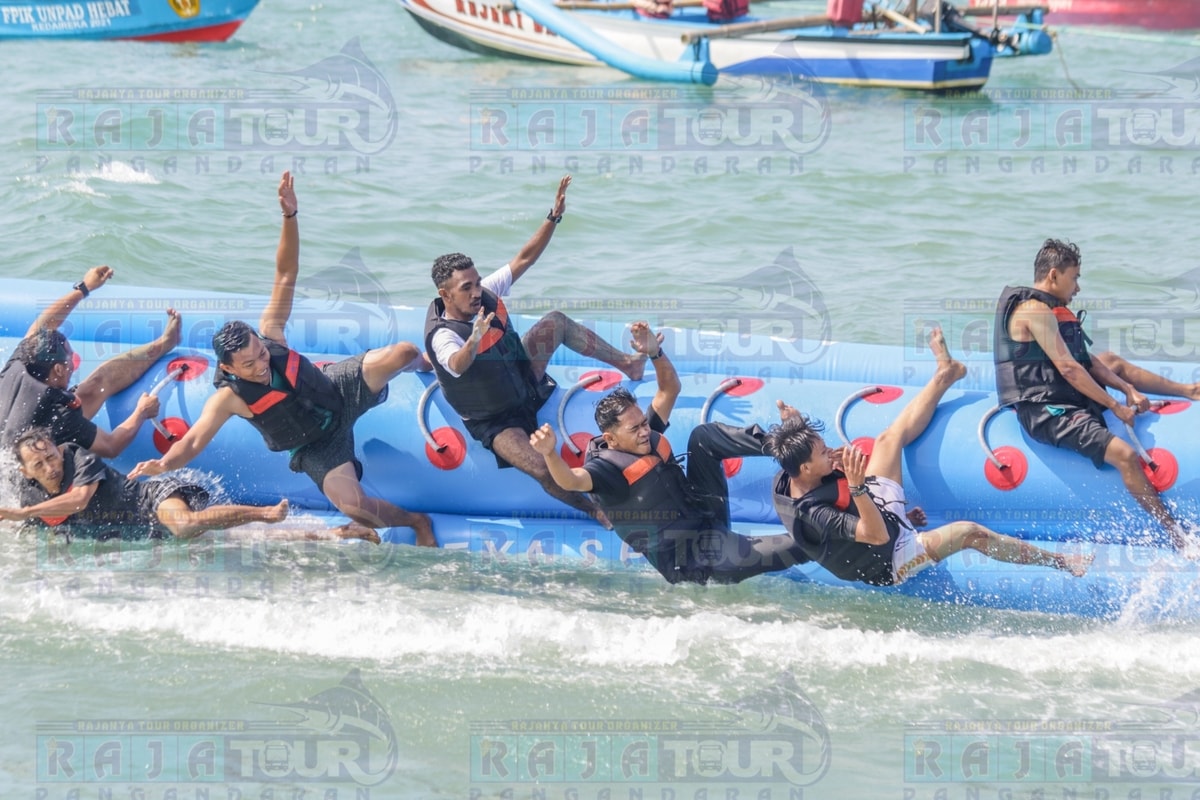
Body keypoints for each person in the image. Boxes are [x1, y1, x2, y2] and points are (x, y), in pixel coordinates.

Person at [127, 172, 435, 546]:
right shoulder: (229, 398)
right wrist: (165, 464)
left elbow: (285, 273)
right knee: (354, 506)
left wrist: (290, 216)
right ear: (227, 369)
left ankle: (430, 367)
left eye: (260, 354)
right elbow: (192, 444)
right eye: (249, 365)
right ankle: (417, 522)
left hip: (336, 391)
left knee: (403, 352)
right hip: (316, 446)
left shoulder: (270, 333)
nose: (260, 365)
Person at [765, 328, 1093, 587]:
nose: (831, 452)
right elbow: (875, 536)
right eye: (823, 453)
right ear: (806, 468)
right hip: (889, 556)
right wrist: (857, 486)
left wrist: (793, 422)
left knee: (888, 439)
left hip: (883, 514)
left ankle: (945, 374)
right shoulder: (814, 514)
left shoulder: (793, 470)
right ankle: (1064, 562)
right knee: (969, 533)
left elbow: (795, 451)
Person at [426, 175, 646, 525]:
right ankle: (598, 512)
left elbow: (524, 258)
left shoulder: (485, 294)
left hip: (522, 378)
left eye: (477, 282)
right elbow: (455, 362)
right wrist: (473, 338)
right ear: (445, 294)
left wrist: (553, 216)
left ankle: (630, 364)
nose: (476, 292)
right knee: (543, 468)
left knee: (555, 321)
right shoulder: (443, 336)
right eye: (466, 288)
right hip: (496, 419)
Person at [530, 320, 810, 584]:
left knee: (703, 437)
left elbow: (669, 389)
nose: (644, 431)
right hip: (693, 558)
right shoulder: (606, 471)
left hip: (704, 515)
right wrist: (549, 453)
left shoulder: (643, 435)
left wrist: (655, 352)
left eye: (642, 424)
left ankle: (786, 444)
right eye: (634, 429)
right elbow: (570, 480)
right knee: (802, 542)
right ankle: (844, 536)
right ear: (610, 439)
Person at [995, 238, 1200, 550]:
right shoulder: (1035, 311)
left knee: (1113, 362)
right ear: (1053, 275)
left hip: (1062, 395)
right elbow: (1069, 370)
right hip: (1044, 411)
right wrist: (1114, 406)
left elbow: (1086, 361)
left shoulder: (1050, 310)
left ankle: (1189, 389)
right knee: (1126, 455)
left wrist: (1127, 389)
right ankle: (1175, 533)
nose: (1077, 288)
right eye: (1074, 277)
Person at [0, 427, 379, 543]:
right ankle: (340, 534)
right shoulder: (29, 493)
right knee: (249, 541)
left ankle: (264, 511)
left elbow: (79, 502)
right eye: (39, 463)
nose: (50, 465)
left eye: (50, 455)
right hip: (143, 532)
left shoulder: (74, 457)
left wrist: (22, 514)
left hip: (153, 498)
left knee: (183, 524)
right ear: (26, 471)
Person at [0, 265, 181, 457]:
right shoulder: (60, 417)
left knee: (96, 384)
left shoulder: (19, 363)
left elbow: (43, 325)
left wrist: (84, 288)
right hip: (16, 475)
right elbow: (111, 447)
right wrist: (141, 412)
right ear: (59, 370)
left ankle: (165, 343)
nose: (73, 363)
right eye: (70, 358)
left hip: (12, 436)